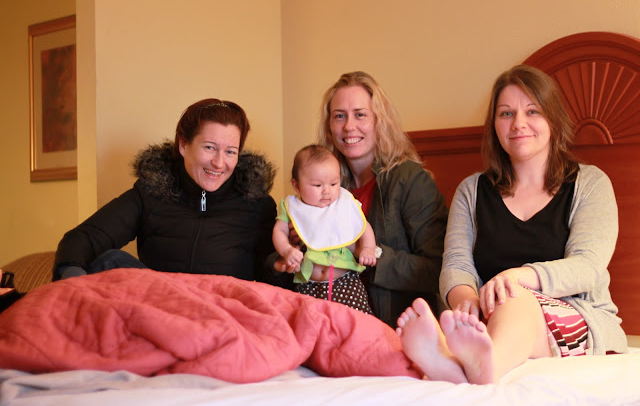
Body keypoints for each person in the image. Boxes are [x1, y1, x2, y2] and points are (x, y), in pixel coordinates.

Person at [396, 65, 627, 385]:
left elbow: (587, 267)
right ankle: (465, 364)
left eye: (532, 111)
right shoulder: (472, 190)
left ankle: (475, 366)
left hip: (575, 317)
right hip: (492, 315)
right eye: (506, 113)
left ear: (553, 119)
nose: (518, 123)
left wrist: (516, 278)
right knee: (499, 306)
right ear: (495, 126)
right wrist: (468, 305)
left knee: (515, 297)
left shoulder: (590, 184)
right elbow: (456, 265)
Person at [273, 71, 448, 327]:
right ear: (329, 126)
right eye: (339, 116)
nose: (349, 126)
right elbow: (277, 261)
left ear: (379, 121)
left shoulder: (410, 181)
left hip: (394, 325)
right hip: (323, 319)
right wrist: (294, 250)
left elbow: (437, 270)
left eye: (360, 114)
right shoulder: (318, 183)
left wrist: (362, 250)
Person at [53, 98, 278, 283]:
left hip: (223, 312)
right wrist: (71, 278)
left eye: (230, 152)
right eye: (209, 147)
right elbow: (83, 238)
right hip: (158, 308)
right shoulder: (150, 193)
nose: (219, 163)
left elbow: (273, 281)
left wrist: (285, 261)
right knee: (111, 260)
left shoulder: (258, 205)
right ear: (183, 145)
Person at [272, 144, 377, 314]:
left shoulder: (344, 204)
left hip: (345, 281)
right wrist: (287, 250)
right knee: (308, 322)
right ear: (296, 186)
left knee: (356, 319)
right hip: (308, 283)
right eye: (317, 185)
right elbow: (279, 231)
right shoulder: (292, 207)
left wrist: (368, 248)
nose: (327, 191)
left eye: (334, 183)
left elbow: (363, 227)